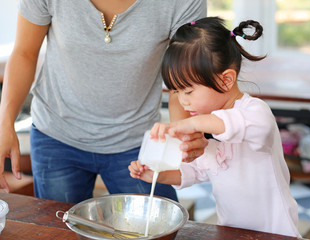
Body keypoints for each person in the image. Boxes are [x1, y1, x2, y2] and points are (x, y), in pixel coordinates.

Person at [0, 0, 208, 203]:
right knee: (60, 232)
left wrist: (183, 132)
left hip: (137, 141)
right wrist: (5, 123)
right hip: (56, 136)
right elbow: (24, 53)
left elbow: (183, 78)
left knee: (157, 231)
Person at [129, 17, 301, 238]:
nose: (182, 102)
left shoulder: (255, 112)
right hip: (231, 231)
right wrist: (155, 175)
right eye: (176, 92)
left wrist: (187, 124)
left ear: (225, 80)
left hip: (276, 233)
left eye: (188, 91)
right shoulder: (206, 127)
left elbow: (236, 124)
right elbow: (193, 172)